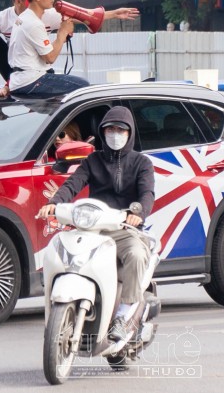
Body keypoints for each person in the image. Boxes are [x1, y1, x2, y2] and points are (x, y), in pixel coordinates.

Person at [37, 106, 155, 342]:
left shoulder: (142, 163)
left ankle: (123, 316)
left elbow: (147, 194)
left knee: (136, 254)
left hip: (123, 228)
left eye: (120, 129)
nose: (115, 133)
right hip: (93, 229)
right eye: (110, 128)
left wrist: (138, 213)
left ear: (129, 133)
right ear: (102, 132)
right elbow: (73, 184)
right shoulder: (93, 160)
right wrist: (54, 203)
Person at [0, 0, 140, 97]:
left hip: (32, 67)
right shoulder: (16, 20)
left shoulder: (40, 16)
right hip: (23, 70)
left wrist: (114, 14)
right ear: (22, 1)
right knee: (83, 87)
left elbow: (82, 15)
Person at [7, 0, 90, 98]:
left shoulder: (24, 18)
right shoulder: (34, 23)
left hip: (21, 80)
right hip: (31, 81)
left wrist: (113, 14)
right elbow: (50, 57)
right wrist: (62, 33)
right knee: (83, 86)